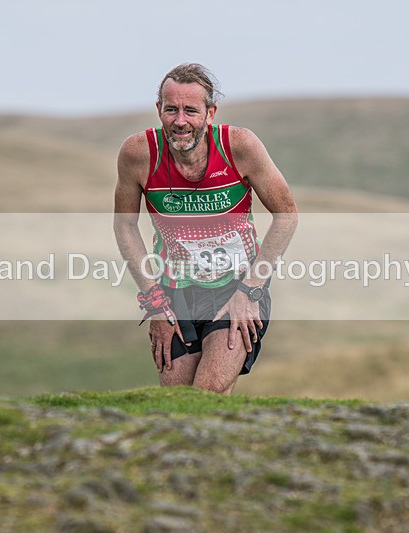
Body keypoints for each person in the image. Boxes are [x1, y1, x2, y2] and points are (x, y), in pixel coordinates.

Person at [114, 63, 297, 395]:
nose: (180, 121)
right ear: (159, 110)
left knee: (208, 390)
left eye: (190, 111)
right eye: (171, 110)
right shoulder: (138, 154)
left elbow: (286, 215)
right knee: (178, 401)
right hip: (174, 293)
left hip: (237, 287)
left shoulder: (239, 146)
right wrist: (154, 301)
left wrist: (251, 290)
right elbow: (124, 226)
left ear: (210, 113)